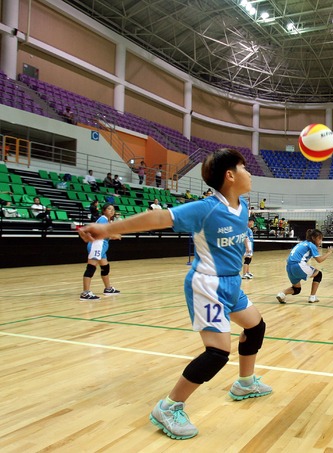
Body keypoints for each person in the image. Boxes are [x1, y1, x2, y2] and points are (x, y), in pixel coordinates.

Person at [78, 148, 271, 440]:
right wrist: (108, 229)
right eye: (244, 167)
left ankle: (245, 383)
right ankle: (169, 407)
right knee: (218, 353)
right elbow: (157, 218)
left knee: (256, 327)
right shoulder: (205, 209)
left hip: (232, 283)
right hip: (208, 286)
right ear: (230, 175)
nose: (250, 172)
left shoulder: (242, 206)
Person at [277, 229, 333, 304]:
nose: (321, 241)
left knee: (296, 289)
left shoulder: (302, 243)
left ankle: (282, 294)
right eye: (319, 239)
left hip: (289, 267)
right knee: (318, 274)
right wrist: (329, 252)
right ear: (313, 238)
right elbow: (319, 260)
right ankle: (312, 297)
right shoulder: (311, 245)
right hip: (298, 265)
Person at [79, 203, 121, 301]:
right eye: (109, 209)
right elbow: (102, 233)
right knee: (91, 268)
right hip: (97, 246)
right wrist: (114, 235)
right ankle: (85, 293)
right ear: (104, 211)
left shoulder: (108, 221)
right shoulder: (103, 219)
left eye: (113, 209)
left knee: (105, 267)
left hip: (102, 246)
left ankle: (108, 288)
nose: (112, 211)